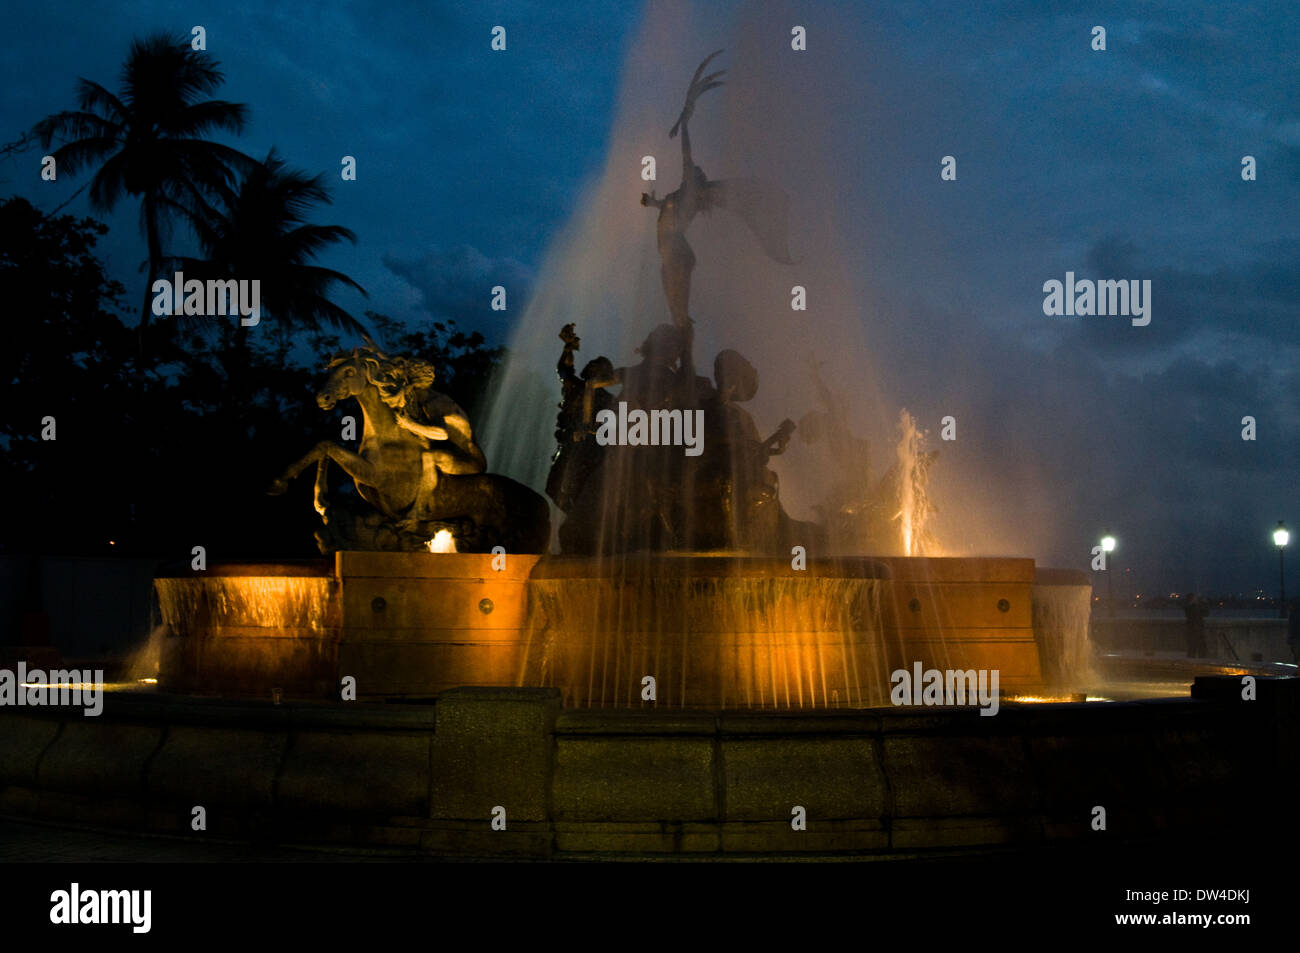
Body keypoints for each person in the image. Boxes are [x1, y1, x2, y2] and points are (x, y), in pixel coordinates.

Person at [1182, 592, 1209, 658]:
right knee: (1195, 647)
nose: (1196, 599)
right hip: (1195, 629)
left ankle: (1195, 659)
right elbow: (1205, 613)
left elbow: (1205, 613)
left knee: (1194, 647)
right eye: (1195, 598)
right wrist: (1204, 604)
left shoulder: (1191, 607)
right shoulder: (1191, 607)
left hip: (1195, 629)